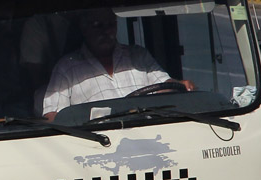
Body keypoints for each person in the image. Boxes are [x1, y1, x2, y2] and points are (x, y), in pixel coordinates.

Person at [41, 9, 194, 121]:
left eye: (110, 25)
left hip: (149, 132)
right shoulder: (66, 68)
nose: (106, 31)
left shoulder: (137, 55)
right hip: (98, 143)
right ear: (84, 28)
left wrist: (179, 85)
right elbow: (52, 115)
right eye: (98, 25)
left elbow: (164, 85)